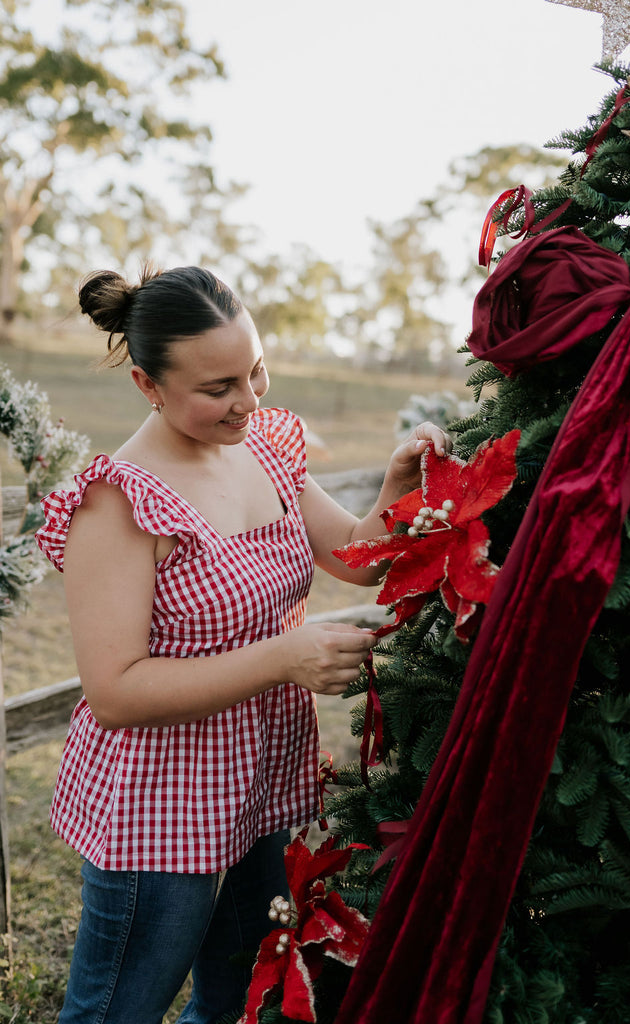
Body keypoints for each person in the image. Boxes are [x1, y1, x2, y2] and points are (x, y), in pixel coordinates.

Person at [35, 264, 451, 1024]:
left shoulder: (265, 446)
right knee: (120, 1008)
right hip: (160, 803)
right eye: (218, 387)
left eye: (254, 371)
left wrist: (396, 483)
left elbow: (355, 557)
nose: (248, 401)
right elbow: (115, 691)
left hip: (261, 780)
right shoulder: (118, 502)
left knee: (237, 999)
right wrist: (283, 658)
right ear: (146, 385)